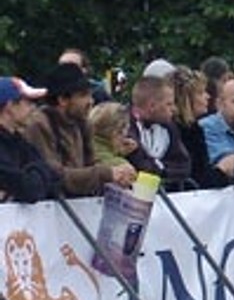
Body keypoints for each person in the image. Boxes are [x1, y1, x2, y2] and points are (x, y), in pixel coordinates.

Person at [21, 62, 134, 196]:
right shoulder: (38, 125)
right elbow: (54, 175)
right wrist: (106, 173)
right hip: (43, 210)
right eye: (83, 95)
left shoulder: (82, 124)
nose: (91, 101)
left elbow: (91, 163)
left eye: (90, 95)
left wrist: (116, 171)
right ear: (63, 99)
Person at [0, 76, 62, 204]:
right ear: (10, 106)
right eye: (28, 102)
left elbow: (55, 178)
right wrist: (39, 173)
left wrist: (36, 174)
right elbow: (28, 189)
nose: (34, 107)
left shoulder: (19, 141)